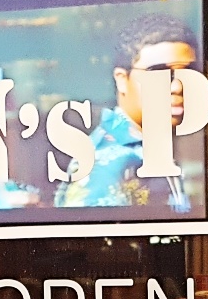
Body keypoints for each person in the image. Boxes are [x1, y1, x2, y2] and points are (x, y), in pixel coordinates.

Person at [55, 13, 198, 211]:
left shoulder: (143, 149)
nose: (177, 86)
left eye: (189, 73)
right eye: (159, 72)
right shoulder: (113, 164)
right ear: (122, 79)